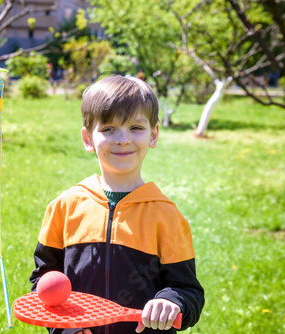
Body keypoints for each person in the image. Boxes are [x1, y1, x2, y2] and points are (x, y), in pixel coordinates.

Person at [30, 75, 204, 334]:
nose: (123, 139)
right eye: (109, 129)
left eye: (136, 128)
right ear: (88, 138)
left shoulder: (166, 216)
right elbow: (43, 284)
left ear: (153, 135)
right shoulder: (64, 207)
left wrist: (171, 302)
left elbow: (188, 291)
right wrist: (66, 329)